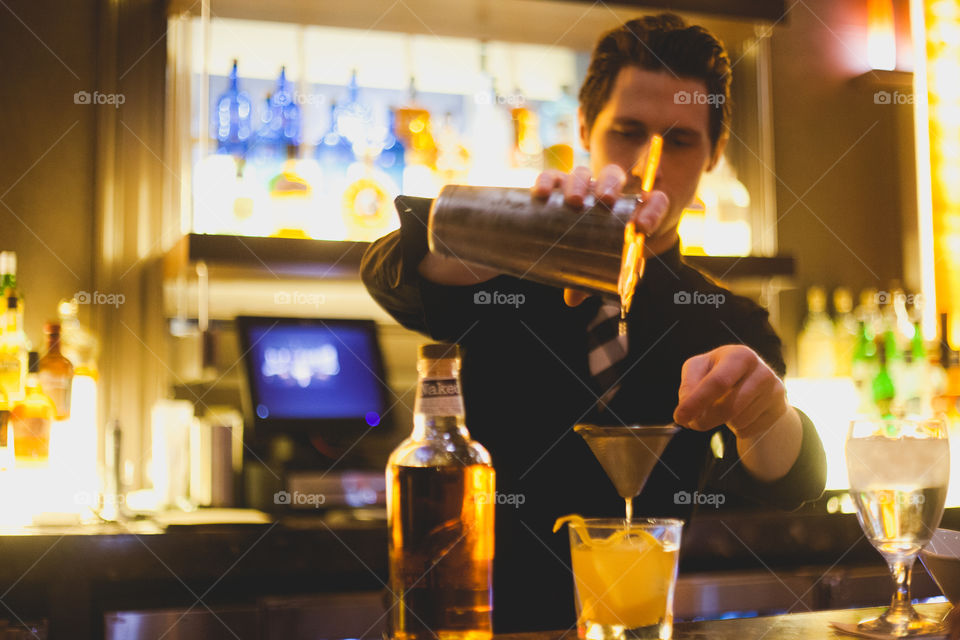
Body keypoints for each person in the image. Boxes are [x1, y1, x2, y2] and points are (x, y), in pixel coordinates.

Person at [362, 13, 826, 632]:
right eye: (628, 131)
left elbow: (788, 484)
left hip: (641, 624)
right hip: (490, 622)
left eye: (680, 140)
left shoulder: (728, 324)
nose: (647, 166)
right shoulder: (501, 282)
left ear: (716, 152)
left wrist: (768, 416)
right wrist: (508, 235)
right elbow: (392, 273)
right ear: (585, 127)